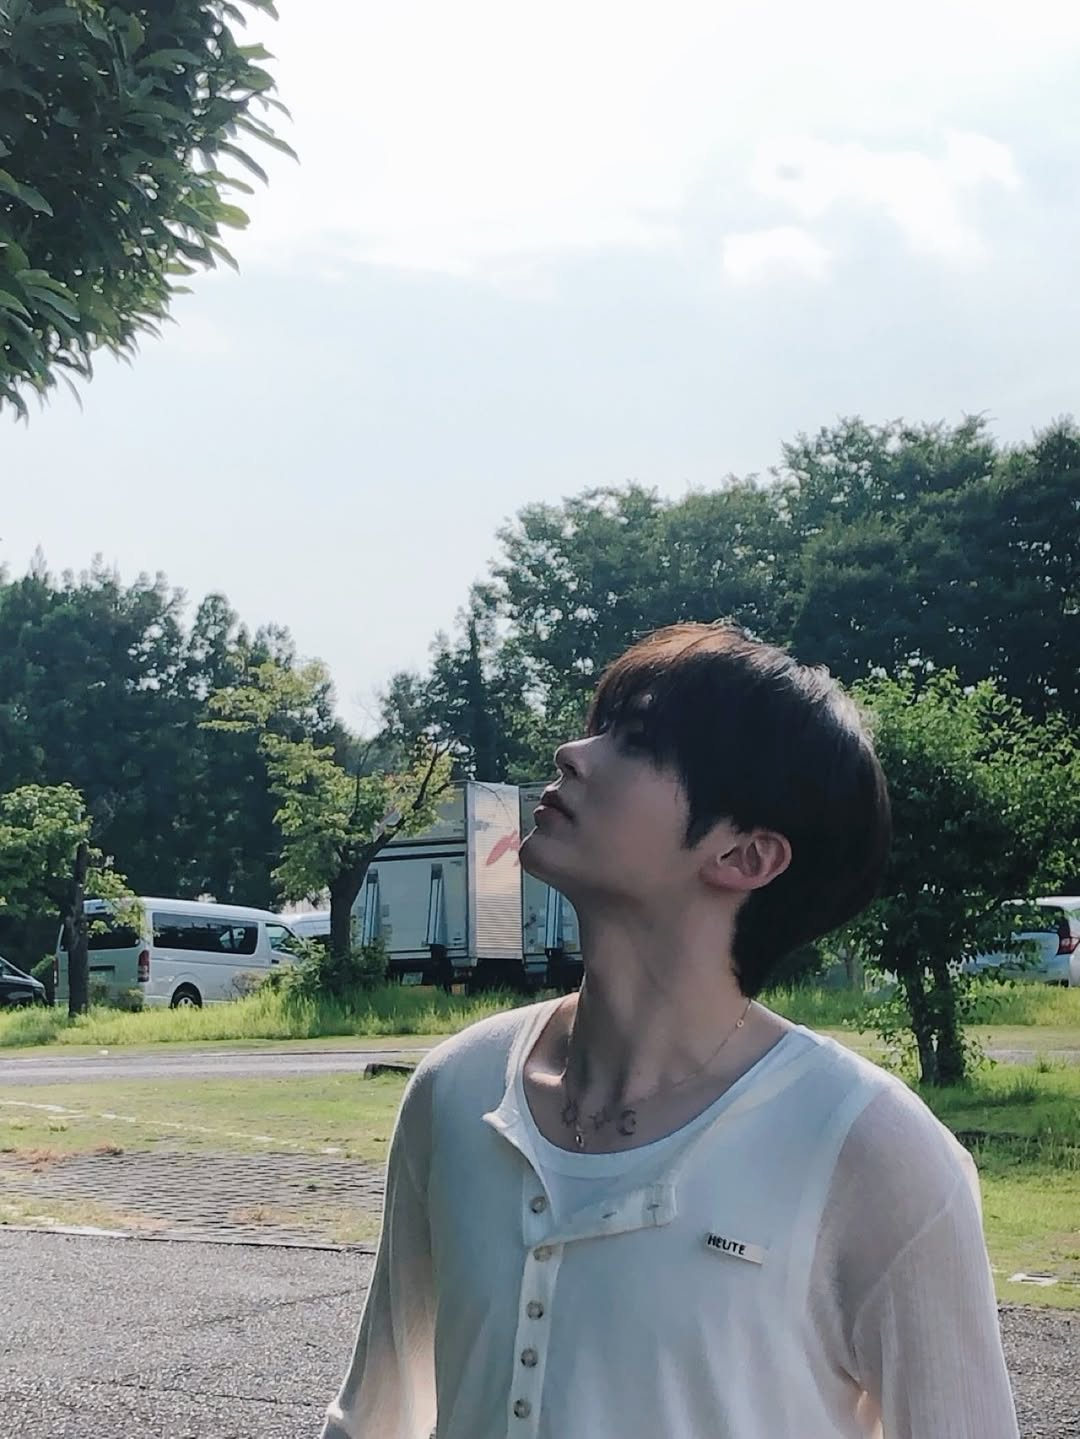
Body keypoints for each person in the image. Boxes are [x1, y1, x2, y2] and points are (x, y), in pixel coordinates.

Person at [322, 622, 1020, 1439]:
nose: (571, 753)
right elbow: (375, 1418)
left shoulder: (874, 1151)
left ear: (745, 856)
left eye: (638, 741)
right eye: (598, 726)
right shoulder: (458, 1088)